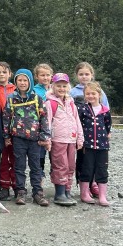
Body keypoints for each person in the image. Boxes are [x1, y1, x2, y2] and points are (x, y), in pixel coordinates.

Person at [3, 68, 50, 206]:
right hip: (18, 138)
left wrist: (44, 136)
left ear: (30, 81)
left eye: (25, 80)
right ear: (15, 81)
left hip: (35, 139)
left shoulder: (37, 99)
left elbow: (44, 118)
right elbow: (6, 118)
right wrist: (6, 136)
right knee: (19, 166)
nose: (22, 83)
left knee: (36, 167)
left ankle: (38, 192)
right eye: (19, 80)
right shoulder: (11, 99)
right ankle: (21, 192)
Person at [44, 73, 84, 206]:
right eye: (58, 86)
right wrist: (47, 139)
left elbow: (76, 121)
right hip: (57, 139)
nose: (61, 88)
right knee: (61, 165)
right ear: (53, 87)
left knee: (71, 166)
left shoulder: (71, 103)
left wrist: (80, 137)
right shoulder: (50, 103)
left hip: (71, 139)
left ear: (68, 87)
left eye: (64, 86)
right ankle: (59, 193)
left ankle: (67, 190)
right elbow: (47, 122)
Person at [70, 62, 109, 197]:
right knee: (83, 160)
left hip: (98, 135)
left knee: (97, 161)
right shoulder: (73, 91)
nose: (84, 77)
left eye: (87, 74)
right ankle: (83, 185)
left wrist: (107, 132)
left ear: (92, 75)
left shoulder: (99, 91)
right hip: (82, 132)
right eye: (81, 74)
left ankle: (94, 184)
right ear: (77, 76)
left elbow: (106, 112)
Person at [78, 81, 112, 206]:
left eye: (93, 93)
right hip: (87, 145)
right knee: (86, 168)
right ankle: (84, 193)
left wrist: (106, 137)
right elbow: (79, 125)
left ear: (99, 94)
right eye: (88, 94)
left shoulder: (105, 110)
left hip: (102, 146)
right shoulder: (82, 109)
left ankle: (102, 195)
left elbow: (108, 125)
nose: (91, 96)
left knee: (102, 169)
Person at [0, 62, 16, 199]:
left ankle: (17, 186)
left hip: (15, 129)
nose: (2, 74)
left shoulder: (16, 88)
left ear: (9, 74)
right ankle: (4, 186)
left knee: (16, 158)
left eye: (4, 72)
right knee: (3, 160)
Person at [32, 63, 54, 176]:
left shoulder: (56, 88)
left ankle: (58, 182)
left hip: (54, 126)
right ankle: (39, 180)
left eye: (48, 75)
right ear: (36, 76)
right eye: (42, 75)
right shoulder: (34, 90)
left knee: (55, 155)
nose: (45, 78)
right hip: (39, 127)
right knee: (39, 155)